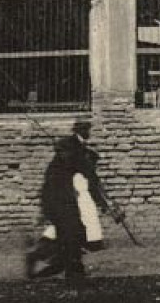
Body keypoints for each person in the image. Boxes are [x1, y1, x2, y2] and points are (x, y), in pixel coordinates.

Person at [26, 118, 115, 279]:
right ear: (82, 131)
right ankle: (67, 266)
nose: (89, 132)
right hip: (59, 196)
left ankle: (71, 266)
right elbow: (89, 176)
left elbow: (86, 172)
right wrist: (101, 201)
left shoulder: (73, 148)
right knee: (73, 230)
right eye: (86, 129)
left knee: (72, 231)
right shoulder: (74, 150)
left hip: (58, 195)